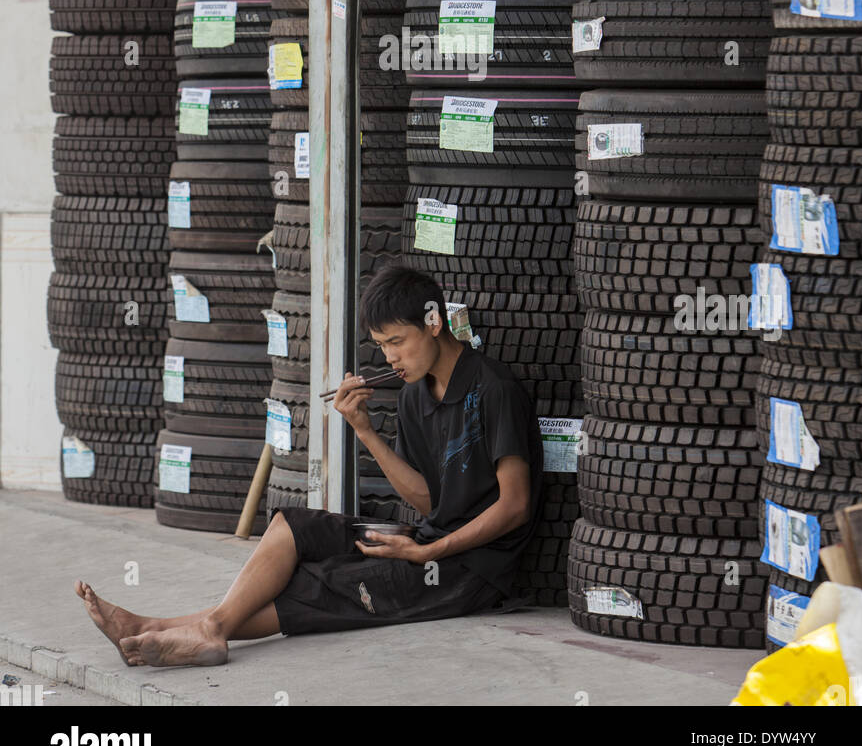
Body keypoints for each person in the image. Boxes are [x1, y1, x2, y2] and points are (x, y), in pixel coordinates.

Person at [74, 263, 544, 667]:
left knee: (325, 582)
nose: (391, 357)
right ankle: (189, 628)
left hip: (472, 571)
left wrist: (428, 554)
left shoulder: (492, 390)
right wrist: (361, 429)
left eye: (399, 341)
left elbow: (515, 506)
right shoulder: (414, 397)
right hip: (430, 539)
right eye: (381, 345)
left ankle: (173, 626)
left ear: (434, 323)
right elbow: (428, 499)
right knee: (291, 526)